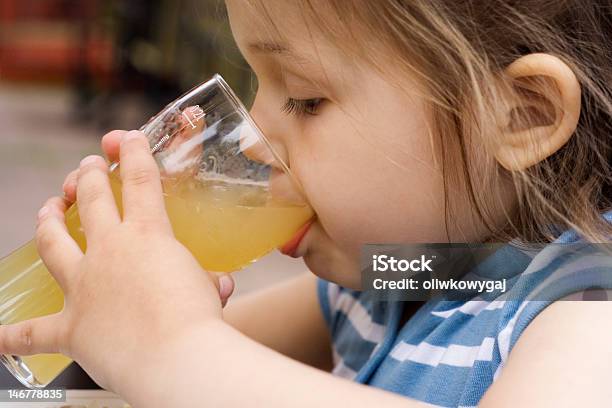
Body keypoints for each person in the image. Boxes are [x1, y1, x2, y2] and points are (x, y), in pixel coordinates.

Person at [1, 1, 611, 406]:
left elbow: (178, 359)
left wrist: (173, 347)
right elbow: (131, 366)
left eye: (306, 98)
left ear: (521, 117)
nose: (251, 138)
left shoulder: (586, 306)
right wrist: (127, 297)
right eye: (254, 85)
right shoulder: (408, 270)